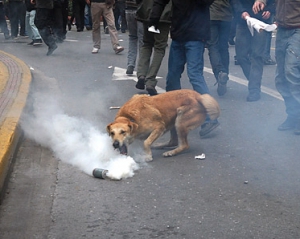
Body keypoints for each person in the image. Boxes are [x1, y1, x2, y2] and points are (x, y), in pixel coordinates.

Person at [149, 0, 219, 137]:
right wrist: (153, 20)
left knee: (194, 75)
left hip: (196, 36)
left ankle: (211, 118)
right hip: (178, 35)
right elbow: (159, 2)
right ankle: (173, 118)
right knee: (172, 78)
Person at [231, 0, 274, 102]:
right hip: (243, 21)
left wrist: (269, 10)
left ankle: (254, 89)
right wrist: (241, 11)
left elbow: (275, 2)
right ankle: (254, 81)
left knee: (257, 56)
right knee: (241, 56)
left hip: (261, 23)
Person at [272, 0, 300, 134]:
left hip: (298, 30)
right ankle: (293, 115)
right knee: (280, 77)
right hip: (282, 30)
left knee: (291, 71)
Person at [135, 0, 171, 96]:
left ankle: (141, 74)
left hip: (147, 11)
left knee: (146, 44)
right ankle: (150, 80)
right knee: (159, 48)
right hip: (164, 14)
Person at [207, 0, 233, 96]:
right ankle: (224, 75)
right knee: (224, 47)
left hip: (211, 14)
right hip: (226, 15)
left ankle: (220, 72)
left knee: (213, 46)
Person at [125, 0, 143, 75]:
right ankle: (142, 67)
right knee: (142, 40)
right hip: (141, 10)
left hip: (129, 10)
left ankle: (130, 64)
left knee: (132, 37)